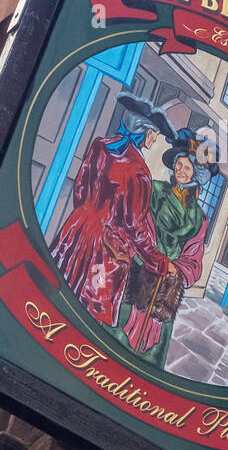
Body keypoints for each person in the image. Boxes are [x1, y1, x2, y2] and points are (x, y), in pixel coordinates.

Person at [49, 94, 174, 329]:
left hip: (76, 233)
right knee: (88, 311)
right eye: (154, 134)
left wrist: (88, 215)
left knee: (59, 289)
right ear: (145, 133)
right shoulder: (139, 172)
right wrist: (159, 262)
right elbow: (135, 227)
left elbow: (80, 190)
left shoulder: (100, 145)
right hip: (105, 254)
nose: (154, 139)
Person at [115, 129, 218, 366]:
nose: (181, 171)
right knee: (121, 331)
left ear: (197, 175)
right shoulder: (156, 190)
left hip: (167, 285)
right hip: (140, 269)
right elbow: (137, 222)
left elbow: (194, 255)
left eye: (187, 168)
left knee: (151, 346)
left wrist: (175, 269)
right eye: (179, 165)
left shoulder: (199, 217)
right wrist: (149, 256)